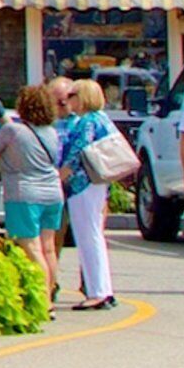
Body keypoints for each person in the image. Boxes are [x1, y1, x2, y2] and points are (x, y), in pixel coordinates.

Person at [0, 83, 65, 302]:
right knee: (48, 248)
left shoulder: (12, 130)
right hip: (52, 191)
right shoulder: (51, 132)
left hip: (24, 192)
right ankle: (51, 292)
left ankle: (43, 301)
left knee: (31, 248)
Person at [55, 76, 121, 312]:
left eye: (72, 95)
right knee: (94, 235)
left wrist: (59, 177)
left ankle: (96, 292)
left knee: (87, 237)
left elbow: (77, 153)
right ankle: (103, 289)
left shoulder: (86, 122)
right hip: (97, 184)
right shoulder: (101, 118)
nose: (67, 99)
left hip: (84, 185)